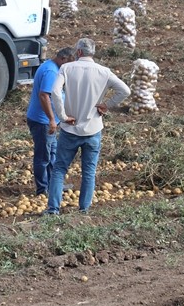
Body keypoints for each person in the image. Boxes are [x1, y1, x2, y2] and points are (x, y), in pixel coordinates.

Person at [45, 38, 131, 216]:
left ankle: (53, 209)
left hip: (70, 128)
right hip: (93, 130)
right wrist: (107, 104)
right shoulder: (104, 71)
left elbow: (54, 91)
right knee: (89, 172)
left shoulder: (67, 68)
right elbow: (125, 90)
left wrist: (62, 116)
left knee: (60, 169)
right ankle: (84, 210)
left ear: (78, 52)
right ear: (93, 53)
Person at [25, 46, 76, 197]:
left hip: (46, 121)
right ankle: (42, 190)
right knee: (43, 156)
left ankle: (54, 185)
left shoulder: (51, 66)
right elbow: (44, 96)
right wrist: (52, 119)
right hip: (42, 122)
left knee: (52, 154)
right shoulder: (51, 72)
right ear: (63, 59)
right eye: (69, 64)